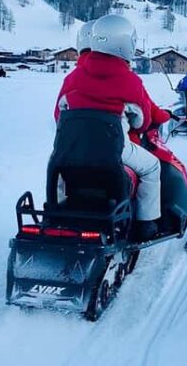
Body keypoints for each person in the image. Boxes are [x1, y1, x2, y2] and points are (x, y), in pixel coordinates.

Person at [54, 14, 167, 242]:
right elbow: (143, 121)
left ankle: (58, 214)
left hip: (73, 148)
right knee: (152, 168)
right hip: (115, 149)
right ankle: (146, 223)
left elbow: (59, 115)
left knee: (60, 169)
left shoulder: (73, 77)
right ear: (126, 44)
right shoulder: (130, 81)